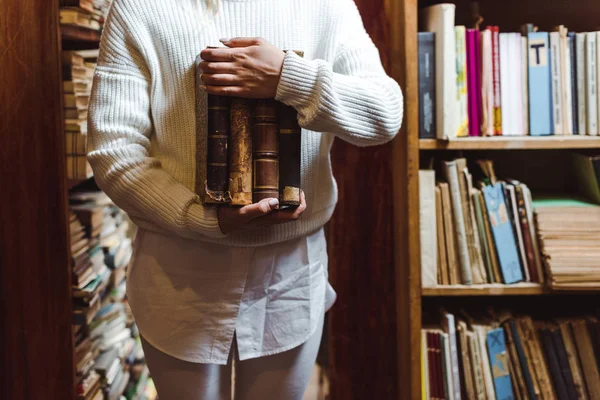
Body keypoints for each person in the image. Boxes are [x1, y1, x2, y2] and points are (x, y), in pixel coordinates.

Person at [87, 0, 403, 398]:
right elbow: (114, 151)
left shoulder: (326, 5)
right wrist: (203, 218)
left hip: (290, 275)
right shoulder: (139, 7)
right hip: (178, 274)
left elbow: (385, 115)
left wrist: (289, 78)